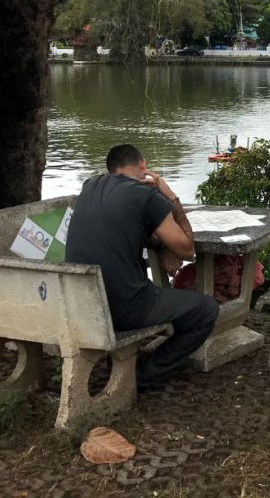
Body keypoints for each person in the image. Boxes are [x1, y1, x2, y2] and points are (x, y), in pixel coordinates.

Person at [66, 144, 219, 391]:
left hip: (80, 304)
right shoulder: (145, 196)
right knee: (205, 310)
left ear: (111, 169)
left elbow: (122, 230)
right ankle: (141, 378)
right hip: (124, 308)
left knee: (168, 298)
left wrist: (159, 248)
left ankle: (143, 362)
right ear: (143, 166)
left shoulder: (90, 186)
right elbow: (187, 249)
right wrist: (170, 197)